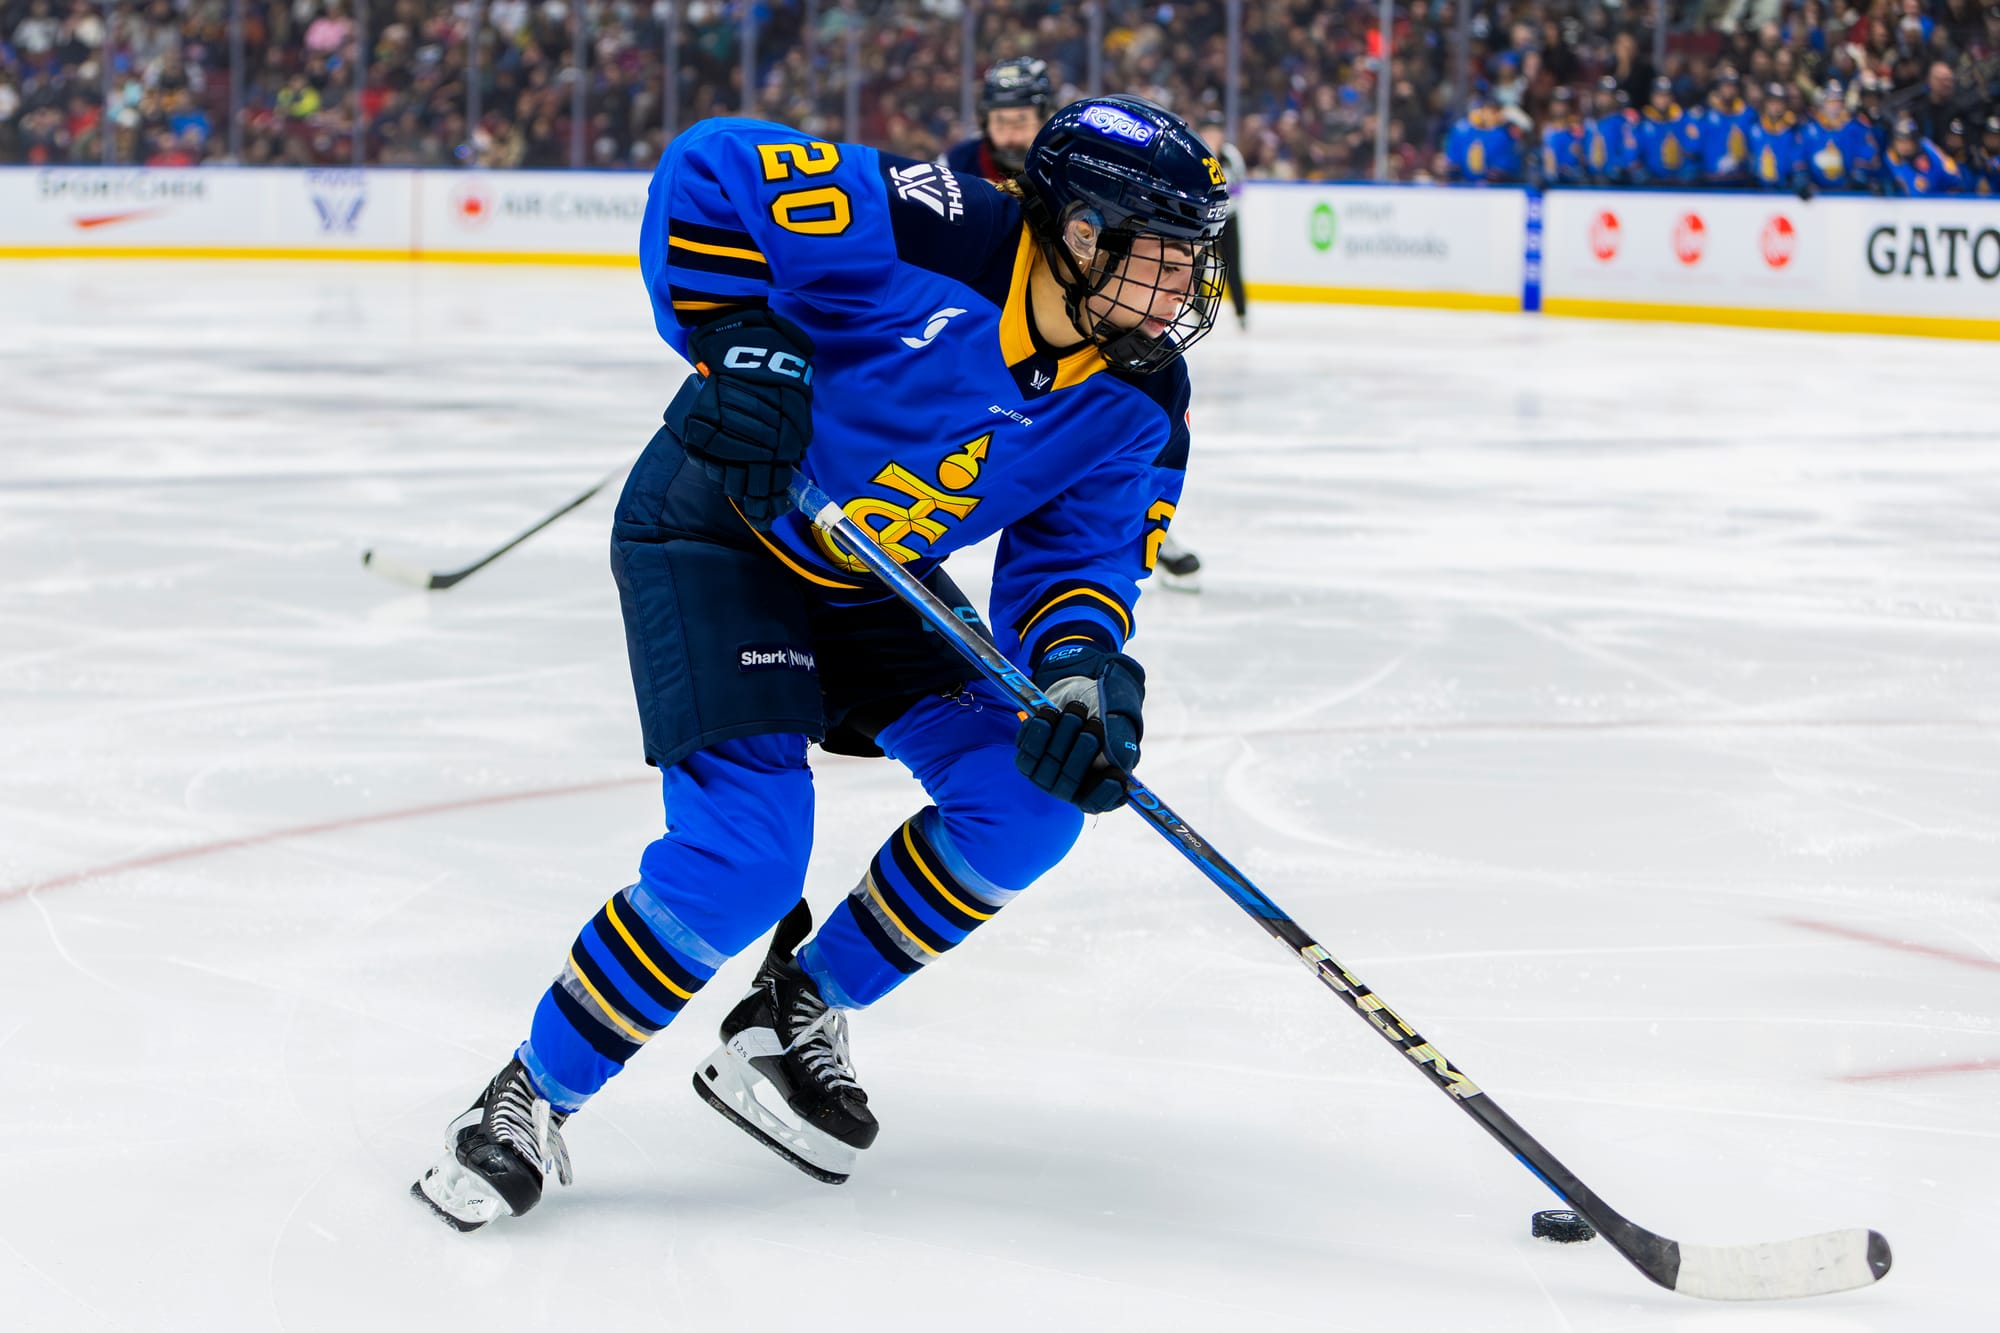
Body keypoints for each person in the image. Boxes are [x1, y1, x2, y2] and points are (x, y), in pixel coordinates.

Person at [412, 94, 1230, 1230]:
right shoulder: (928, 230)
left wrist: (1081, 672)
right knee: (746, 858)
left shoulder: (1138, 398)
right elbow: (712, 167)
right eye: (1163, 256)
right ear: (1078, 232)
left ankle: (792, 1009)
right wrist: (734, 335)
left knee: (1026, 804)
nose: (1183, 289)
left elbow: (1074, 566)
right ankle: (526, 1097)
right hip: (720, 531)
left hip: (867, 572)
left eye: (1193, 259)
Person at [943, 56, 1054, 182]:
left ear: (1045, 119)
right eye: (1000, 122)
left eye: (1021, 122)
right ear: (986, 123)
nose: (1011, 137)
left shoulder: (1069, 161)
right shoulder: (958, 162)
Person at [1799, 82, 1878, 193]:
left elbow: (1866, 151)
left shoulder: (1855, 128)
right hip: (1816, 193)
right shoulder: (1809, 129)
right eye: (1831, 102)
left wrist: (1860, 175)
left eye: (1838, 102)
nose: (1835, 106)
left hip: (1848, 191)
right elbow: (1799, 155)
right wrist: (1803, 180)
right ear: (1823, 104)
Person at [1633, 75, 1701, 185]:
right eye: (1659, 96)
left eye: (1666, 96)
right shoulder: (1642, 124)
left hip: (1680, 184)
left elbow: (1693, 151)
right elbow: (1634, 153)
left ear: (1672, 98)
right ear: (1652, 97)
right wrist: (1638, 169)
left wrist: (1690, 167)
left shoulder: (1684, 121)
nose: (1663, 100)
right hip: (1652, 184)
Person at [1696, 69, 1756, 186]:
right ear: (1718, 88)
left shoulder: (1748, 115)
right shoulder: (1705, 114)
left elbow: (1754, 146)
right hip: (1711, 179)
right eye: (1725, 85)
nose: (1729, 89)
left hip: (1739, 179)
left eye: (1732, 86)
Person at [1883, 115, 1965, 194]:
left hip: (1942, 195)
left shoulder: (1926, 147)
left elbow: (1952, 172)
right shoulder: (1891, 155)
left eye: (1908, 141)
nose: (1904, 145)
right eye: (1900, 141)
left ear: (1915, 141)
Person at [1746, 82, 1805, 191]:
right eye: (1772, 102)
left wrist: (1799, 179)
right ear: (1765, 104)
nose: (1776, 107)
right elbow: (1748, 158)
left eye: (1779, 102)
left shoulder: (1792, 131)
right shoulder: (1753, 128)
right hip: (1756, 190)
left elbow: (1797, 160)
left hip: (1785, 189)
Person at [1583, 77, 1637, 185]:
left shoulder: (1622, 122)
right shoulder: (1588, 123)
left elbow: (1629, 150)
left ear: (1614, 98)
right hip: (1591, 179)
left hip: (1615, 180)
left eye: (1608, 95)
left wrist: (1619, 166)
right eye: (1602, 94)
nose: (1604, 99)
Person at [1538, 87, 1589, 186]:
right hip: (1548, 176)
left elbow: (1580, 154)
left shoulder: (1576, 128)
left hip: (1571, 175)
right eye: (1556, 103)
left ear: (1568, 106)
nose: (1559, 107)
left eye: (1562, 104)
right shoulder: (1545, 128)